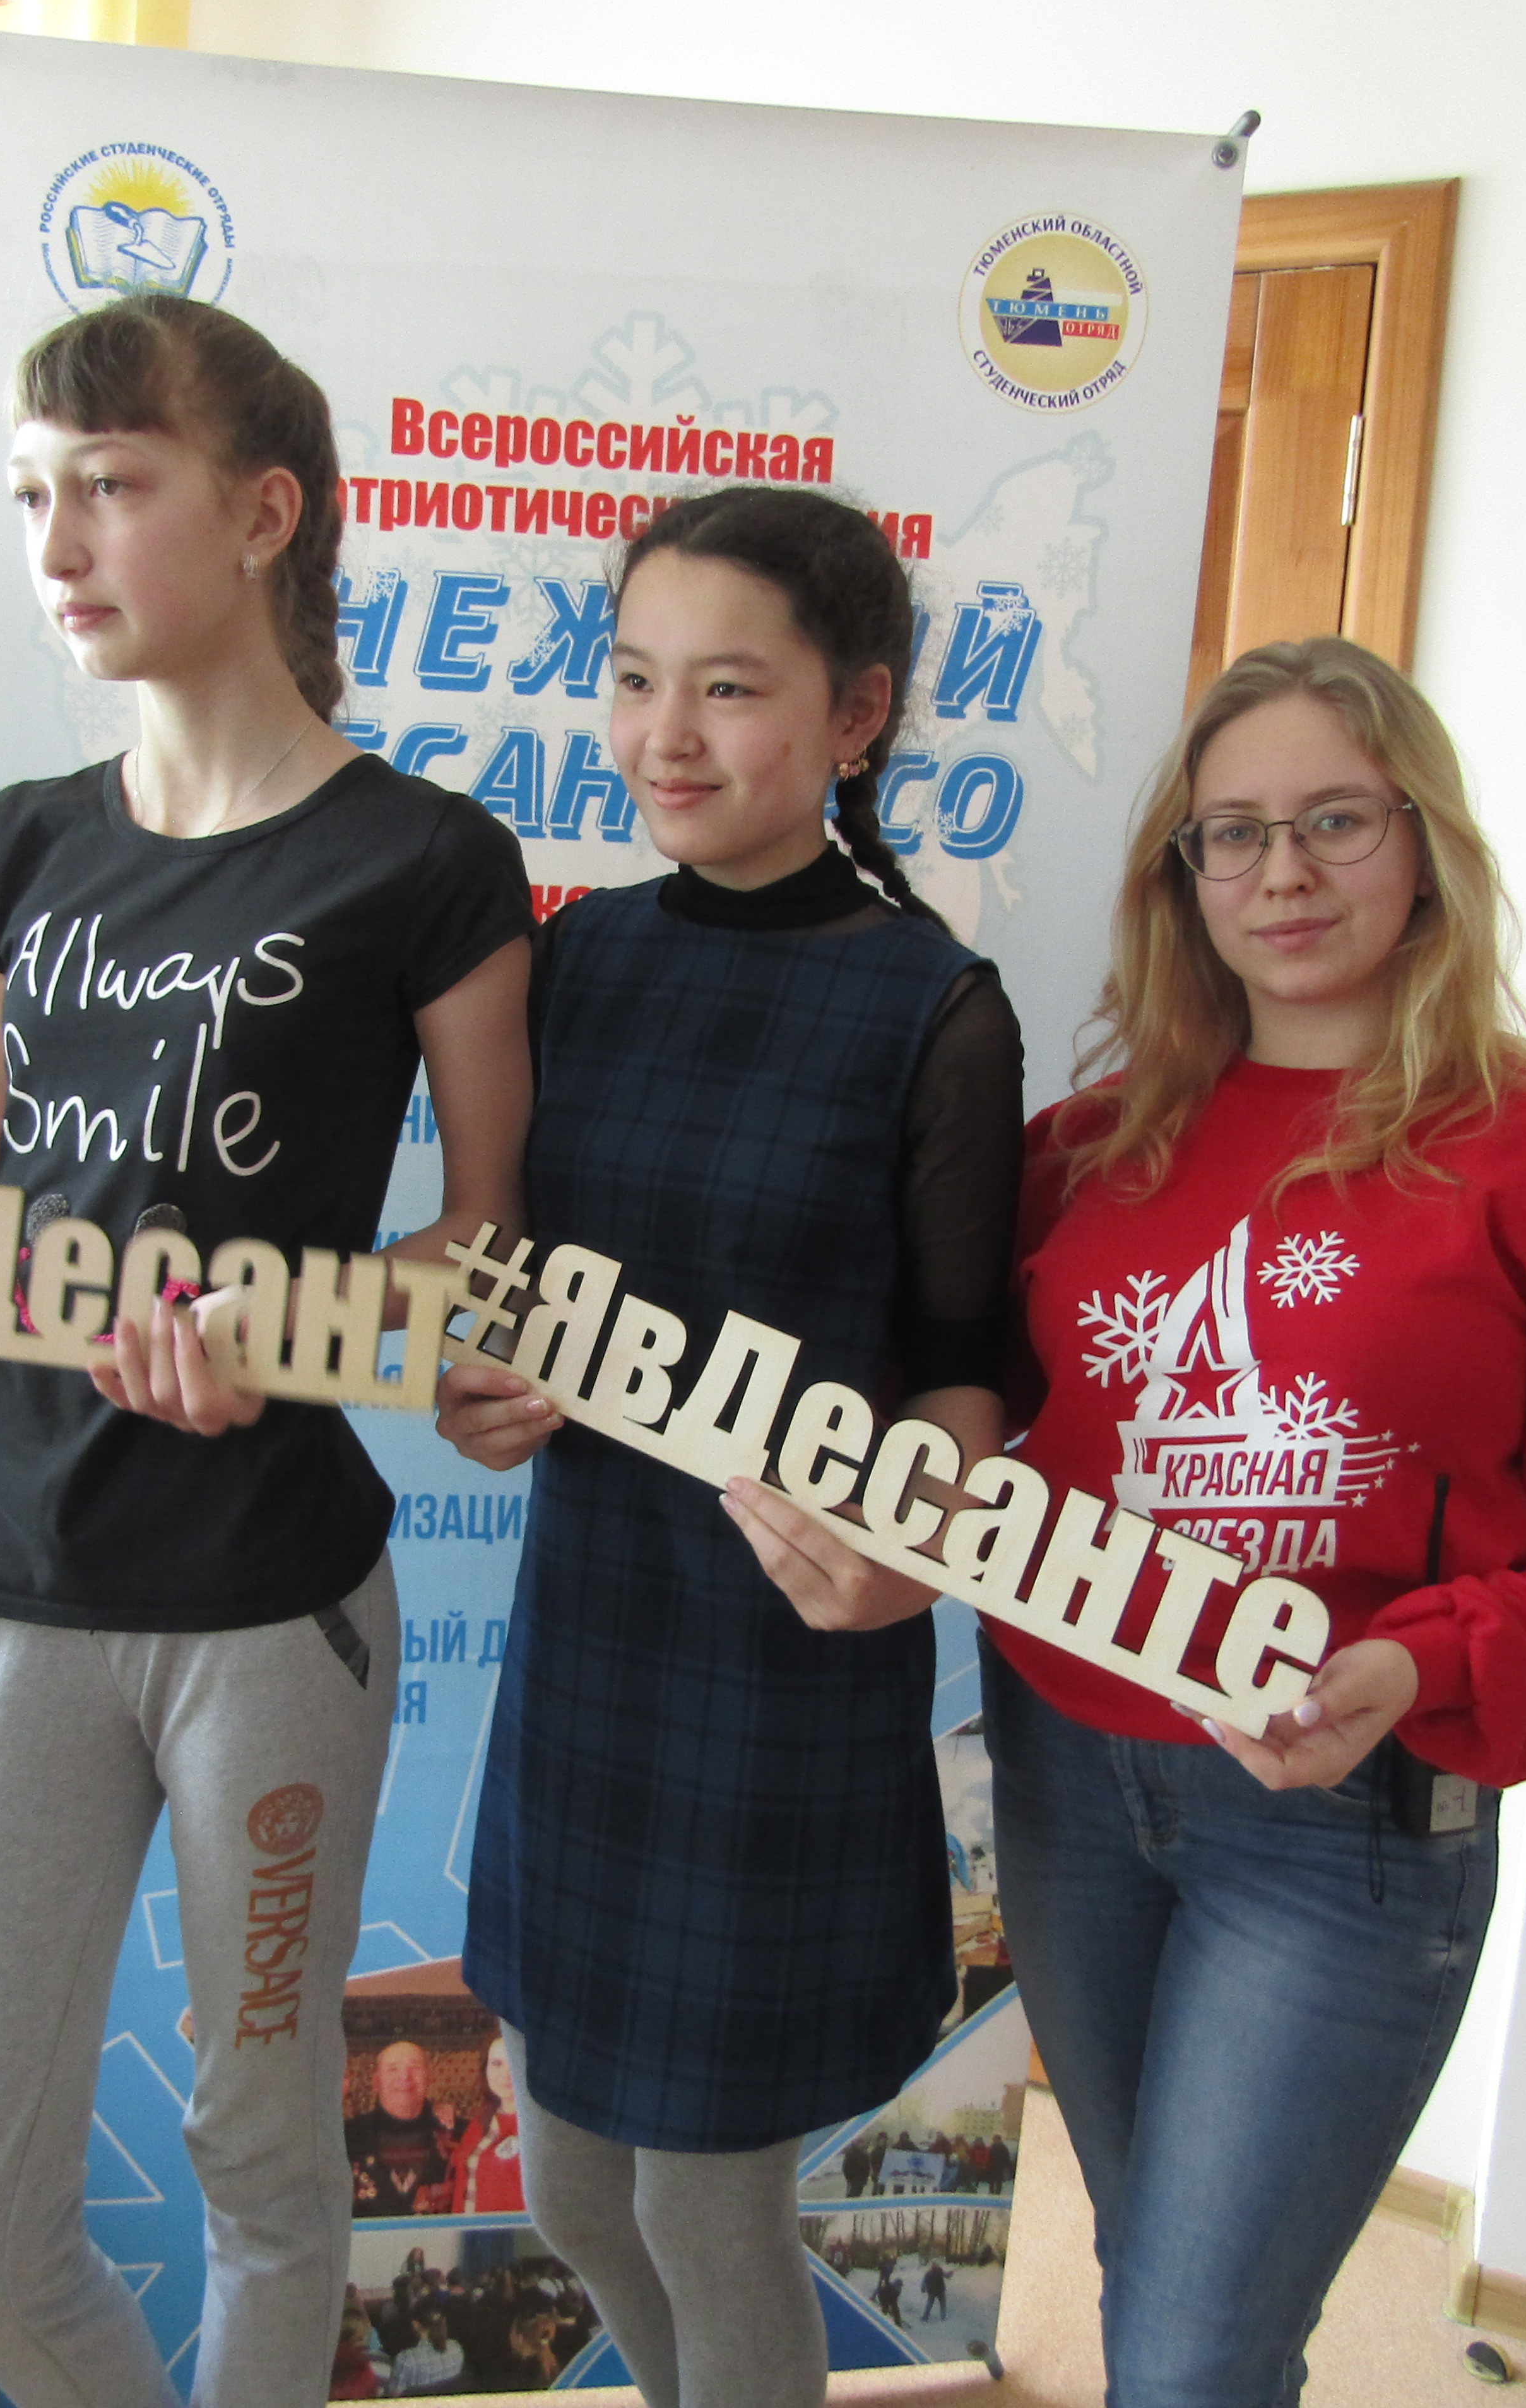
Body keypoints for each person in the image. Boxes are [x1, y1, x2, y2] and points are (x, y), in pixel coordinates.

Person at [985, 636, 1526, 2405]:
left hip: (1338, 1829)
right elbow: (964, 1417)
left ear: (1425, 844)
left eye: (1336, 820)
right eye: (1235, 834)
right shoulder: (1084, 1149)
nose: (1284, 874)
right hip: (1067, 1780)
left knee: (1192, 2352)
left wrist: (1422, 1664)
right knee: (1150, 2273)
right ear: (1184, 876)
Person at [0, 294, 534, 2408]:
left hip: (267, 1597)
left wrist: (299, 1320)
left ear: (265, 514)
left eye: (111, 484)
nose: (59, 542)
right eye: (32, 497)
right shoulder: (12, 848)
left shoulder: (426, 860)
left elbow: (490, 1244)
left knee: (262, 2154)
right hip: (5, 1571)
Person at [436, 485, 1024, 2408]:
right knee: (571, 2187)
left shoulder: (934, 1006)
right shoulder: (581, 956)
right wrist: (482, 1386)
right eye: (632, 680)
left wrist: (916, 1532)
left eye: (729, 688)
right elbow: (513, 1284)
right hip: (591, 1642)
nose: (663, 737)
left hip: (782, 1663)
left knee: (704, 2207)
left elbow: (965, 1363)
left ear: (856, 714)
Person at [348, 2039, 459, 2215]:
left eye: (415, 2067)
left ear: (430, 2077)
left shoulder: (460, 2134)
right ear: (376, 2081)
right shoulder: (348, 2136)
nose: (405, 2077)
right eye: (393, 2069)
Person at [446, 2031, 528, 2212]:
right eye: (497, 2064)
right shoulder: (477, 2126)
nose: (506, 2074)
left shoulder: (542, 2130)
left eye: (515, 2062)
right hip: (470, 2229)